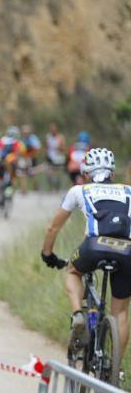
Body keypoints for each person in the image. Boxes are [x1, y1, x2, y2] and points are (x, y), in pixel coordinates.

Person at [41, 147, 129, 365]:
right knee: (120, 313)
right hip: (128, 251)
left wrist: (48, 253)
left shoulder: (79, 190)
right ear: (112, 173)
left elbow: (53, 227)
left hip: (94, 246)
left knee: (72, 271)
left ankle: (78, 314)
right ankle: (114, 369)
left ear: (86, 173)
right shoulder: (129, 191)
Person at [45, 122, 67, 190]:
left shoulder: (60, 137)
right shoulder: (48, 136)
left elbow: (64, 148)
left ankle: (57, 186)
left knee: (57, 174)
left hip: (58, 158)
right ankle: (51, 187)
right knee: (48, 174)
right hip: (50, 157)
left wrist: (58, 148)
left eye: (54, 128)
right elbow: (46, 147)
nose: (52, 130)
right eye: (51, 128)